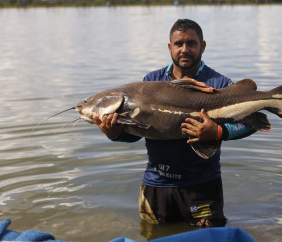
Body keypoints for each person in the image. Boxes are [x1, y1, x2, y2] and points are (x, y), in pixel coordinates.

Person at [94, 19, 256, 228]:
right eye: (179, 44)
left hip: (202, 186)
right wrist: (115, 133)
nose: (184, 49)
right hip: (156, 184)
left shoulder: (220, 84)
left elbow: (252, 124)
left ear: (203, 46)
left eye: (191, 43)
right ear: (170, 47)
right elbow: (139, 131)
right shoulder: (150, 81)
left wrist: (218, 132)